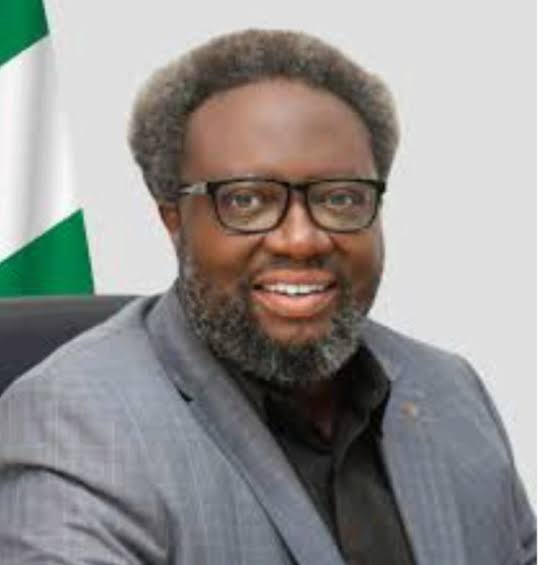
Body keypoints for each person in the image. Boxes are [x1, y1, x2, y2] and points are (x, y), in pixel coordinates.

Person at [0, 29, 535, 565]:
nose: (301, 240)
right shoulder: (80, 423)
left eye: (340, 198)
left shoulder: (450, 391)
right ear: (174, 220)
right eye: (247, 201)